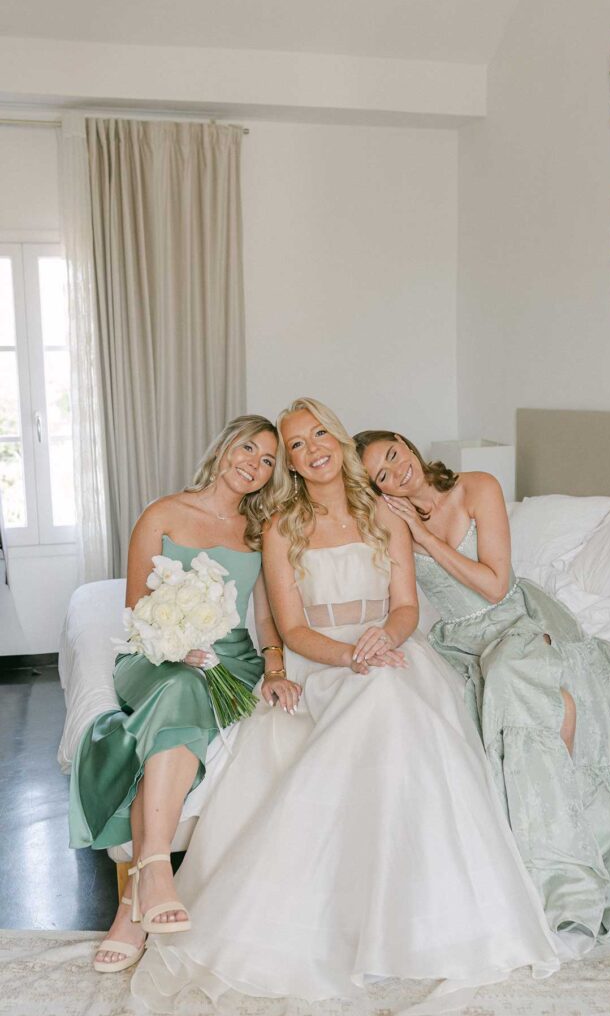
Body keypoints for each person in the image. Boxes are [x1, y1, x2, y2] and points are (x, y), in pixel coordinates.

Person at [132, 398, 558, 1015]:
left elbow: (406, 605)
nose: (311, 450)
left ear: (338, 437)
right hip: (323, 659)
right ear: (292, 465)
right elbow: (292, 627)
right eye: (296, 446)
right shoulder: (282, 526)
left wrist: (385, 638)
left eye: (318, 435)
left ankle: (414, 921)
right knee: (374, 694)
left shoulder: (384, 515)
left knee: (393, 695)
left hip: (387, 649)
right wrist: (345, 658)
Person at [355, 428, 610, 954]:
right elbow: (395, 592)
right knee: (423, 700)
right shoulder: (389, 520)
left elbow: (495, 586)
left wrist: (426, 540)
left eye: (395, 456)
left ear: (406, 443)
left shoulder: (476, 487)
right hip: (460, 638)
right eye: (383, 475)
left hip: (514, 621)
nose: (399, 472)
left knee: (520, 689)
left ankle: (560, 881)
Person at [69, 415, 291, 973]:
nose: (255, 465)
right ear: (223, 448)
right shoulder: (162, 514)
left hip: (229, 660)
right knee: (178, 682)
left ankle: (134, 898)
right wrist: (173, 644)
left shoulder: (258, 531)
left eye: (268, 461)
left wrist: (275, 665)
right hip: (151, 652)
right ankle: (158, 871)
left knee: (186, 690)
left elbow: (264, 616)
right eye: (248, 448)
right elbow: (135, 608)